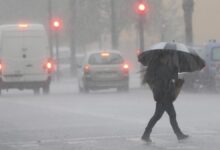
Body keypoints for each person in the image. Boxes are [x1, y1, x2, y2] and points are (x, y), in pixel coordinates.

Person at [141, 53, 189, 143]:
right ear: (163, 57)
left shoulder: (161, 67)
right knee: (168, 115)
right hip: (164, 96)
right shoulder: (162, 68)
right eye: (168, 56)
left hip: (163, 95)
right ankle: (178, 134)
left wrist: (174, 71)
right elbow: (169, 78)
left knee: (159, 116)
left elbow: (170, 79)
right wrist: (175, 69)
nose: (169, 58)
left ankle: (146, 134)